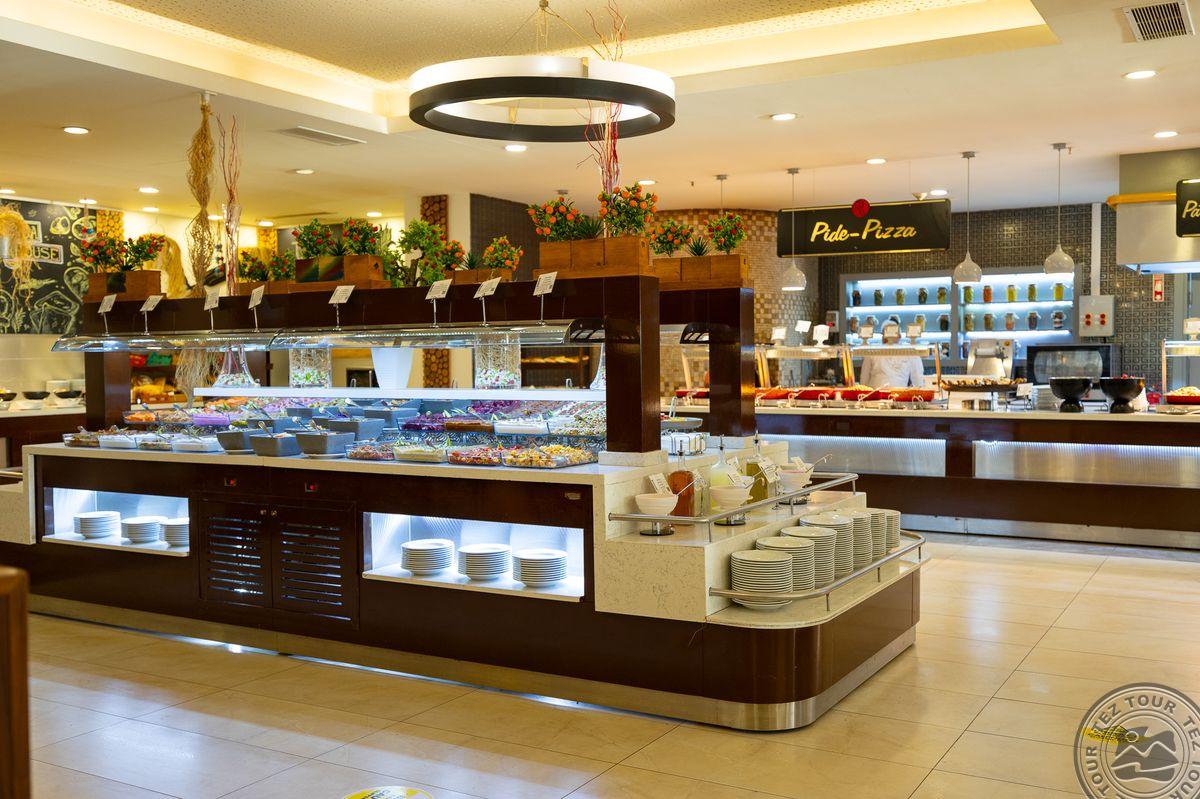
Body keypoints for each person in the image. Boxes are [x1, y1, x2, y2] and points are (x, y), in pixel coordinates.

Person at [859, 330, 926, 388]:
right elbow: (918, 382)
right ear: (899, 336)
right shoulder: (910, 351)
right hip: (882, 395)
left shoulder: (872, 351)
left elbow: (864, 381)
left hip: (878, 395)